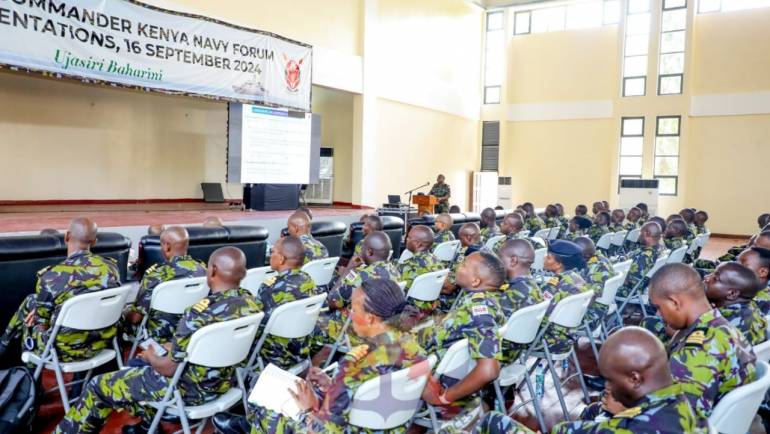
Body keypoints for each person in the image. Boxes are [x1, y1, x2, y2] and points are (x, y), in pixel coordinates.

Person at [55, 247, 260, 434]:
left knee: (98, 385)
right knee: (135, 371)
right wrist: (171, 348)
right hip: (223, 385)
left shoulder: (196, 315)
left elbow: (168, 369)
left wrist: (152, 357)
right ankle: (148, 424)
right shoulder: (252, 305)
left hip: (186, 391)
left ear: (213, 270)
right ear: (242, 272)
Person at [215, 279, 427, 434]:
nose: (350, 315)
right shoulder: (414, 345)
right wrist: (332, 385)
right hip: (385, 426)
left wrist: (308, 410)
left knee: (264, 407)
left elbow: (322, 431)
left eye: (353, 309)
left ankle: (249, 426)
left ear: (370, 318)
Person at [0, 217, 121, 360]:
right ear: (95, 241)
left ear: (67, 236)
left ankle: (28, 376)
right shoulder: (112, 268)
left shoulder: (51, 277)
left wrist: (41, 313)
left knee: (30, 318)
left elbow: (42, 326)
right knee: (32, 300)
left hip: (62, 351)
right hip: (101, 344)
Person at [650, 263, 756, 418]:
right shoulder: (721, 326)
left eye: (658, 307)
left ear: (674, 302)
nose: (659, 315)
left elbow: (678, 420)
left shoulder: (697, 351)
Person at [419, 252, 506, 419]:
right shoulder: (489, 299)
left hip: (433, 376)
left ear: (476, 281)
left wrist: (446, 396)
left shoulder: (479, 309)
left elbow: (489, 370)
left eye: (464, 264)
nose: (459, 267)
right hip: (442, 364)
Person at [124, 226, 207, 345]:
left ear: (167, 246)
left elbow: (136, 318)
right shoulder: (203, 270)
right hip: (190, 333)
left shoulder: (156, 275)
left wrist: (124, 312)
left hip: (158, 336)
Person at [320, 232, 401, 345]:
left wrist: (348, 270)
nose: (359, 251)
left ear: (369, 252)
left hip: (355, 331)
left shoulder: (360, 276)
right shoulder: (395, 271)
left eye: (362, 248)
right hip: (382, 328)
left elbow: (331, 301)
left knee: (314, 320)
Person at [253, 236, 317, 369]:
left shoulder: (270, 287)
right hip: (302, 350)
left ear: (281, 259)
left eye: (273, 251)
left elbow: (259, 327)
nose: (270, 255)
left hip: (275, 355)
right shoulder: (308, 280)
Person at [539, 240, 591, 353]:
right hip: (568, 338)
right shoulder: (577, 278)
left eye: (548, 257)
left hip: (548, 341)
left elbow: (539, 315)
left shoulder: (554, 285)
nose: (544, 258)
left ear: (558, 264)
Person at [496, 240, 544, 362]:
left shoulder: (514, 292)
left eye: (499, 258)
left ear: (513, 260)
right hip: (515, 351)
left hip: (498, 354)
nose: (497, 263)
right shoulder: (531, 285)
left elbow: (492, 325)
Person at [705, 262, 768, 345]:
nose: (706, 277)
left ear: (732, 294)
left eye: (715, 278)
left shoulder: (722, 323)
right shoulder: (749, 306)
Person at [398, 225, 444, 315]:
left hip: (412, 311)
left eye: (409, 237)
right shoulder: (436, 260)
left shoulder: (409, 265)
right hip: (431, 308)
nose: (406, 239)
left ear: (418, 244)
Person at [441, 223, 484, 311]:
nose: (460, 242)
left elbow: (450, 288)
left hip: (462, 300)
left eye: (460, 239)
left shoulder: (468, 254)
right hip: (482, 297)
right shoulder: (486, 250)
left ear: (468, 237)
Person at [574, 237, 614, 328]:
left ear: (586, 256)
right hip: (603, 308)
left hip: (592, 315)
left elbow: (590, 299)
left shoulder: (594, 270)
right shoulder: (601, 259)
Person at [617, 221, 663, 298]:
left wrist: (617, 275)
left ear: (647, 233)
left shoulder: (644, 256)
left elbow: (632, 281)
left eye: (641, 233)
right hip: (644, 286)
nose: (639, 236)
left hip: (631, 291)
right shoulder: (660, 249)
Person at [738, 247, 770, 314]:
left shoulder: (765, 303)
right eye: (736, 262)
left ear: (762, 272)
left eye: (742, 264)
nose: (734, 267)